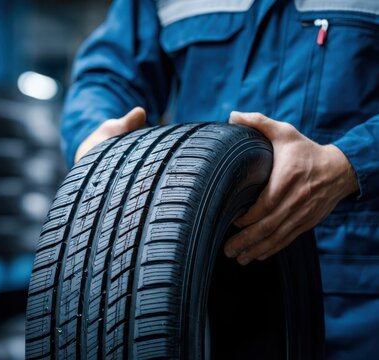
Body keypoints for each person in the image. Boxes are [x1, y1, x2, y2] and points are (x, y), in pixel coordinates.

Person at [61, 0, 378, 357]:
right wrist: (97, 144)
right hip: (194, 278)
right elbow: (109, 76)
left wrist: (350, 163)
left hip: (357, 293)